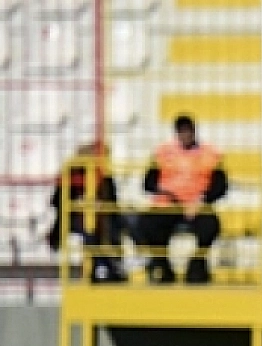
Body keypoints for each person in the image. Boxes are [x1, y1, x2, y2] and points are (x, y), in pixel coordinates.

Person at [136, 115, 228, 284]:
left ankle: (197, 267)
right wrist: (166, 195)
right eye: (181, 131)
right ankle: (162, 266)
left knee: (210, 226)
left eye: (188, 130)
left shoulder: (210, 154)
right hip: (168, 205)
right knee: (147, 224)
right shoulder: (163, 153)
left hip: (197, 205)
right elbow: (148, 183)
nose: (185, 134)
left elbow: (220, 186)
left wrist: (202, 200)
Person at [45, 144, 126, 283]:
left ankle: (113, 266)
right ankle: (99, 270)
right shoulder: (70, 173)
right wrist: (80, 204)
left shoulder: (104, 175)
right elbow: (57, 201)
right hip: (75, 217)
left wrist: (101, 205)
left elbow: (113, 201)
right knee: (91, 231)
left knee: (115, 226)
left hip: (101, 217)